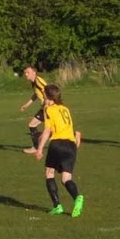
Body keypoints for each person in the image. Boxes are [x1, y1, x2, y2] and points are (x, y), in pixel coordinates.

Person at [26, 83, 84, 217]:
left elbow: (47, 130)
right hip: (71, 145)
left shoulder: (48, 109)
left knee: (49, 172)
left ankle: (57, 206)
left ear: (47, 95)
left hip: (58, 144)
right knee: (66, 178)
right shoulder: (65, 108)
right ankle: (77, 197)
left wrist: (39, 148)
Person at [18, 65, 49, 150]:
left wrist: (46, 103)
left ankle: (36, 147)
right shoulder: (34, 82)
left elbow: (47, 90)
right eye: (25, 73)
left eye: (28, 72)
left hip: (49, 108)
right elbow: (36, 94)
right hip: (45, 107)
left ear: (34, 72)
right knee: (32, 125)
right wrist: (26, 105)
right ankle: (36, 146)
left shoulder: (38, 80)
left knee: (34, 125)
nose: (26, 74)